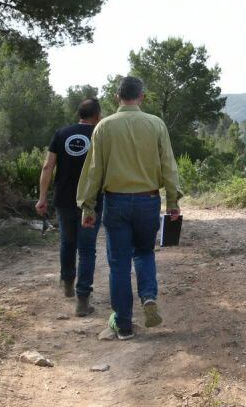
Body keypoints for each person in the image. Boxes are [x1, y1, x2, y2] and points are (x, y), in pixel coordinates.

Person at [76, 76, 182, 340]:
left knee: (119, 264)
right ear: (142, 97)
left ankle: (123, 324)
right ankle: (148, 296)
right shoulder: (156, 124)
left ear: (117, 97)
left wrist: (87, 207)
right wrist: (173, 201)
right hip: (148, 200)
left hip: (116, 202)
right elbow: (169, 165)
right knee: (145, 252)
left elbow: (93, 171)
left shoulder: (104, 127)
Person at [36, 98, 102, 316]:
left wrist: (42, 197)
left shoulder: (61, 133)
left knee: (67, 242)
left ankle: (67, 283)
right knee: (86, 249)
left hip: (64, 199)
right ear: (97, 115)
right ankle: (83, 300)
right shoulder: (100, 134)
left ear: (78, 114)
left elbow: (48, 166)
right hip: (90, 201)